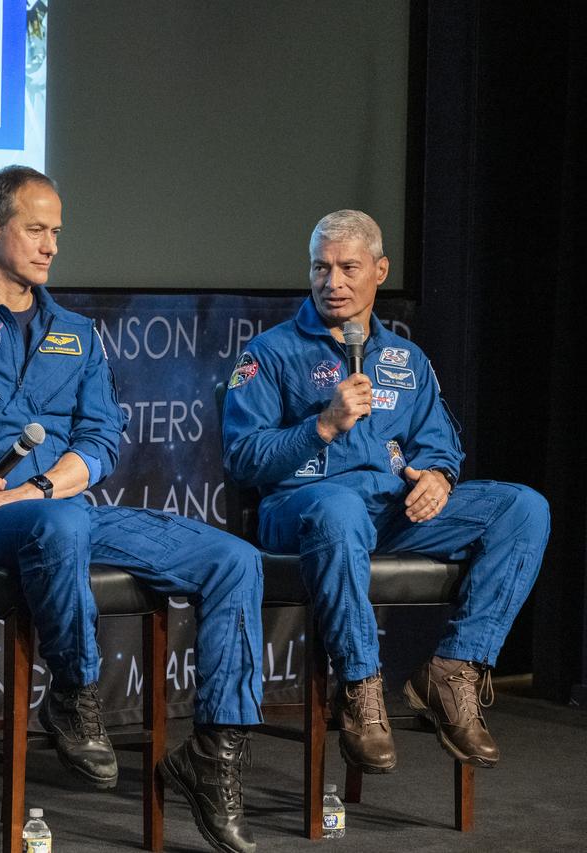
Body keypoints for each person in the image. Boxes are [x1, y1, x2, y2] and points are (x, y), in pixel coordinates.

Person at [0, 165, 264, 853]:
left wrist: (39, 487)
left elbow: (101, 439)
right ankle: (74, 689)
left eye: (57, 232)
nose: (50, 245)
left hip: (59, 509)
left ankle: (213, 754)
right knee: (59, 523)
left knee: (233, 559)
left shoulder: (75, 332)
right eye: (36, 229)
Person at [222, 209, 549, 775]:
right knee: (341, 507)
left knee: (523, 507)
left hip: (387, 512)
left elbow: (439, 444)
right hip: (300, 512)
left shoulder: (406, 358)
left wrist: (438, 479)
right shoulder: (269, 353)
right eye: (320, 268)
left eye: (349, 267)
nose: (333, 282)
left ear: (380, 270)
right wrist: (321, 425)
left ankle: (453, 670)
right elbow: (243, 459)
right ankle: (360, 684)